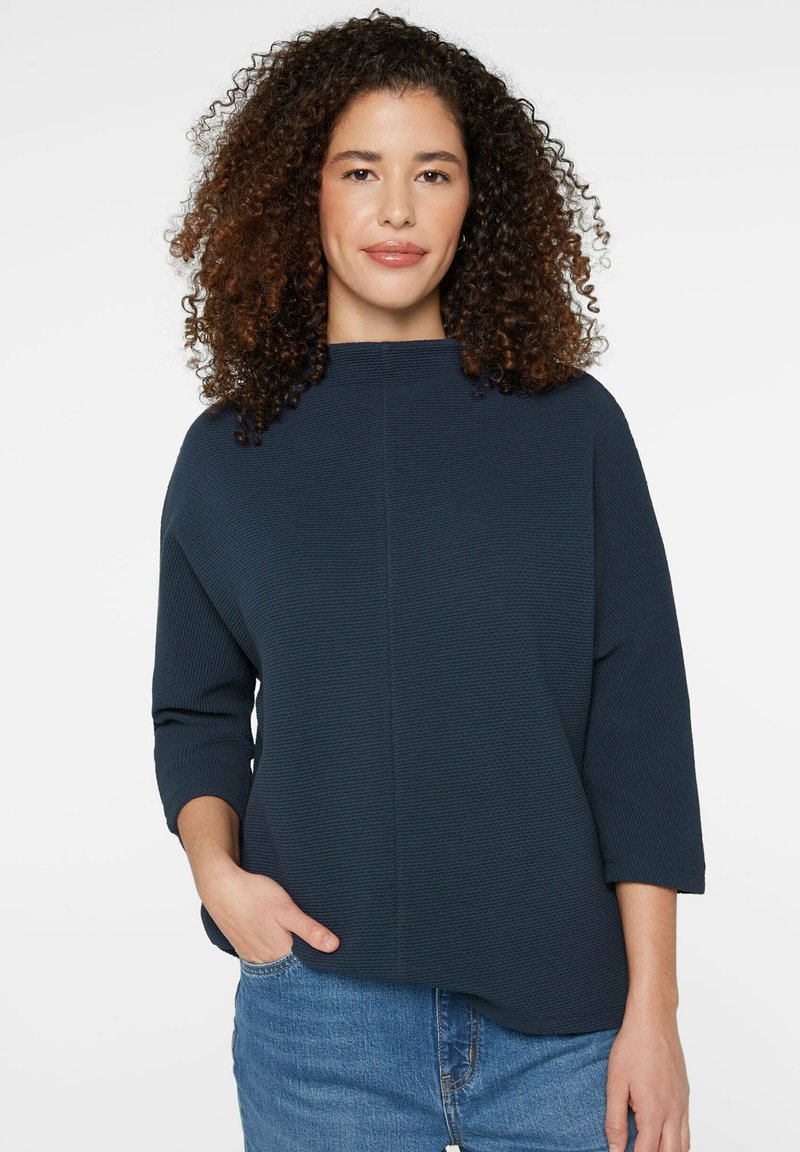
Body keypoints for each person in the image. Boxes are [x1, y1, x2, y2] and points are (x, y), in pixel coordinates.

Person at [151, 10, 706, 1152]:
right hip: (322, 1019)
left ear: (476, 202)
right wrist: (218, 876)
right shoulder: (229, 454)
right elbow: (195, 711)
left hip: (562, 1026)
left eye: (433, 173)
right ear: (302, 193)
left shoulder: (572, 430)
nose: (397, 210)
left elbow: (638, 724)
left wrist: (653, 1010)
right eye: (361, 170)